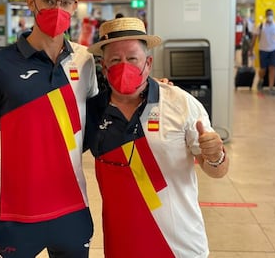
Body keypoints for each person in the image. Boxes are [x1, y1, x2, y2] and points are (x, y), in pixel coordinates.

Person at [0, 0, 98, 258]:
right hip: (15, 215)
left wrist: (161, 90)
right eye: (48, 0)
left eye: (65, 2)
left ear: (74, 5)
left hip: (72, 208)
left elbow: (100, 120)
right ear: (31, 2)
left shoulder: (86, 61)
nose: (57, 9)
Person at [84, 17, 229, 258]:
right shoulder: (91, 111)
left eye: (132, 59)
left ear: (148, 63)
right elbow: (56, 153)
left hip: (180, 247)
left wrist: (216, 156)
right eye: (115, 60)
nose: (124, 66)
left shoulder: (180, 103)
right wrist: (3, 159)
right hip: (122, 245)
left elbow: (217, 170)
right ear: (104, 66)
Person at [250, 8, 275, 94]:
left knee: (272, 68)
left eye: (271, 14)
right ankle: (261, 79)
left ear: (273, 15)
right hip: (263, 50)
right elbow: (254, 38)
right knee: (263, 69)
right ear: (266, 15)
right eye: (268, 14)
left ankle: (270, 87)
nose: (270, 16)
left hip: (273, 49)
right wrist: (250, 49)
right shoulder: (261, 25)